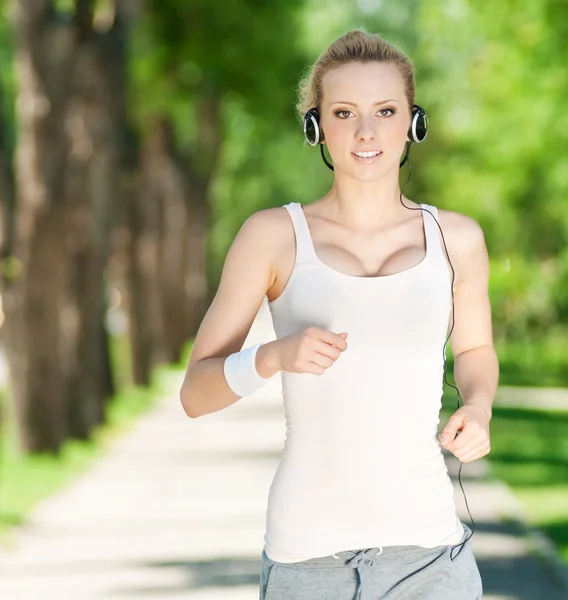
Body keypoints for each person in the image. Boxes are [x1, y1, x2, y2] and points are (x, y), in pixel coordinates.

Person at [180, 28, 498, 600]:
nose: (367, 131)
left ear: (413, 123)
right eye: (345, 112)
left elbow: (474, 350)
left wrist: (477, 407)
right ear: (316, 127)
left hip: (431, 560)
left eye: (385, 110)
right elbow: (195, 393)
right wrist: (274, 356)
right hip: (308, 562)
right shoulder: (273, 237)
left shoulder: (457, 240)